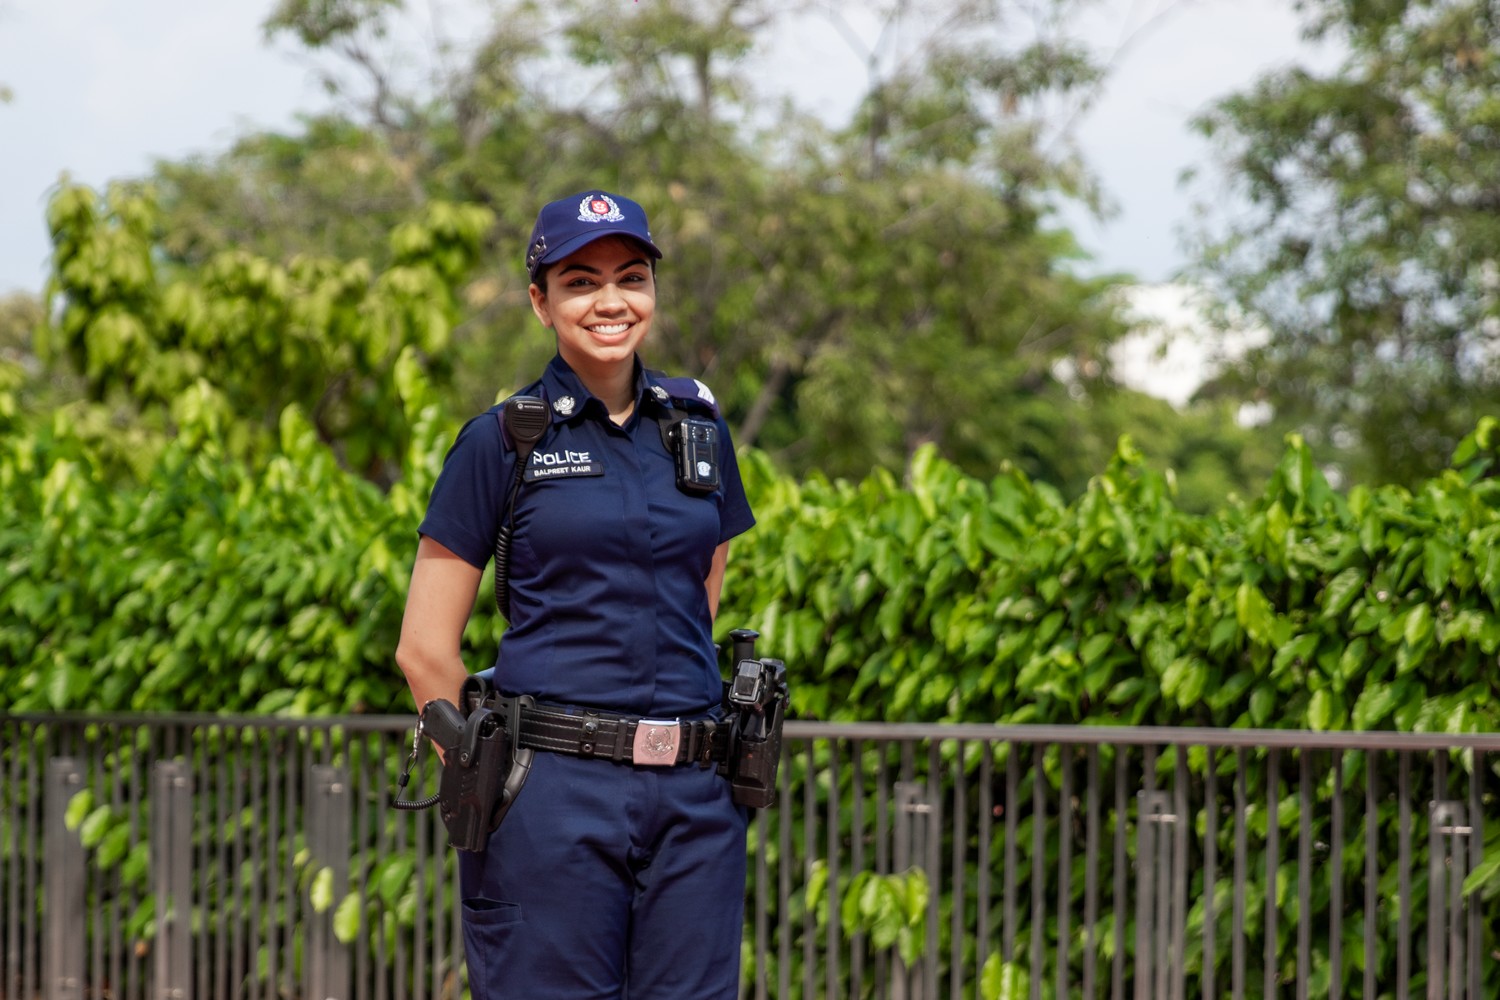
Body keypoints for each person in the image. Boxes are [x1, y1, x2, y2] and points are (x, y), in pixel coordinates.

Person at [395, 189, 757, 1000]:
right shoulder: (503, 439)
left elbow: (699, 603)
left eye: (631, 278)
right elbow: (423, 650)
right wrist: (492, 779)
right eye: (581, 281)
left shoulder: (699, 429)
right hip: (551, 797)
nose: (610, 301)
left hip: (694, 801)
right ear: (540, 301)